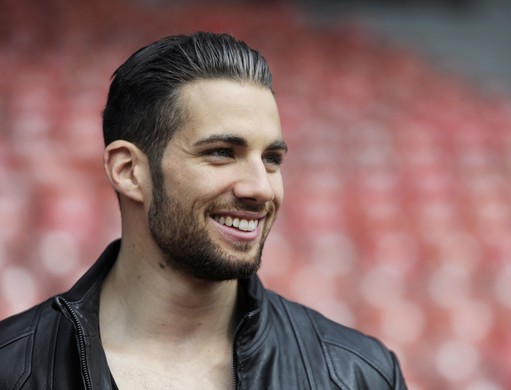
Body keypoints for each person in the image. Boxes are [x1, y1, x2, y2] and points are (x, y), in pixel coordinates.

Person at [0, 32, 408, 389]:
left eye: (271, 158)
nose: (260, 188)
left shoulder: (357, 374)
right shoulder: (12, 369)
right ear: (128, 171)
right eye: (220, 153)